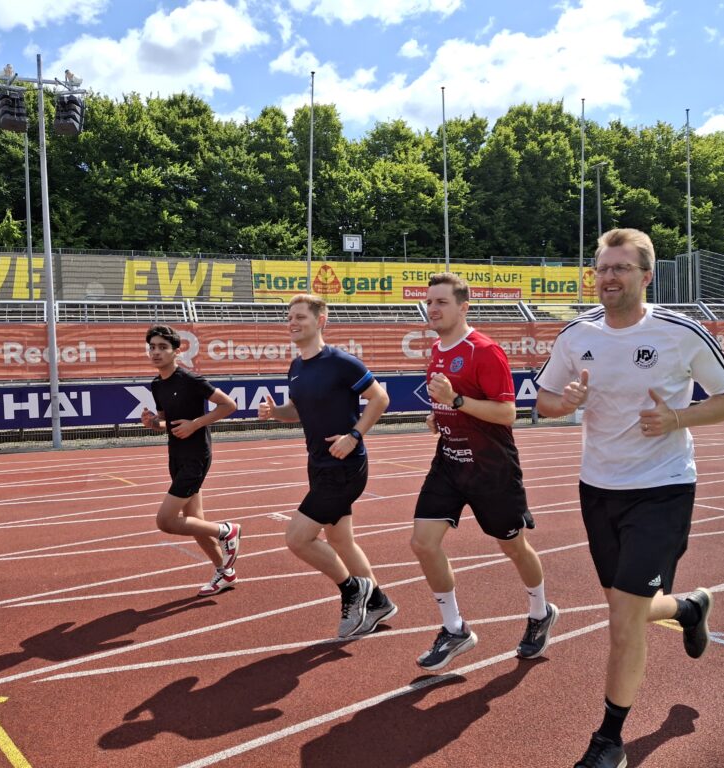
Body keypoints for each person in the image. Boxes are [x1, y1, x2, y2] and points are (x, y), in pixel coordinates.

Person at [534, 229, 724, 768]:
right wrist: (567, 402)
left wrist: (677, 417)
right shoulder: (576, 334)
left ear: (646, 276)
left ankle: (609, 740)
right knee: (625, 605)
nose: (609, 277)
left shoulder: (681, 332)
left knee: (624, 620)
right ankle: (688, 608)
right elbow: (545, 401)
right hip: (598, 488)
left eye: (621, 268)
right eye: (603, 268)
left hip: (662, 487)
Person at [411, 272, 558, 671]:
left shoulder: (484, 350)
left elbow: (507, 413)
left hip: (491, 468)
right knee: (423, 543)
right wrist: (438, 414)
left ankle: (540, 612)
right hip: (449, 462)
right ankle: (454, 628)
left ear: (464, 307)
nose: (432, 309)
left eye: (441, 302)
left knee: (513, 546)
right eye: (430, 301)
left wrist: (456, 401)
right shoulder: (437, 349)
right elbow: (450, 402)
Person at [258, 293, 397, 638]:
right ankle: (377, 602)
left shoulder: (341, 362)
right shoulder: (296, 367)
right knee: (340, 540)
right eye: (289, 317)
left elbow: (380, 398)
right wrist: (276, 412)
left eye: (300, 317)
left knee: (297, 538)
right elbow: (296, 411)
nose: (292, 323)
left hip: (345, 467)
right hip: (318, 465)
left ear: (320, 321)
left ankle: (352, 589)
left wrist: (354, 435)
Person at [140, 324, 242, 597]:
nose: (156, 352)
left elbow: (229, 405)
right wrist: (154, 423)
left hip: (196, 456)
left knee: (166, 520)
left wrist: (195, 424)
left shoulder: (191, 379)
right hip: (175, 455)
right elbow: (166, 420)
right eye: (152, 347)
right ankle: (225, 572)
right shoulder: (157, 384)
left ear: (176, 351)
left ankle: (227, 531)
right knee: (194, 521)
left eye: (163, 347)